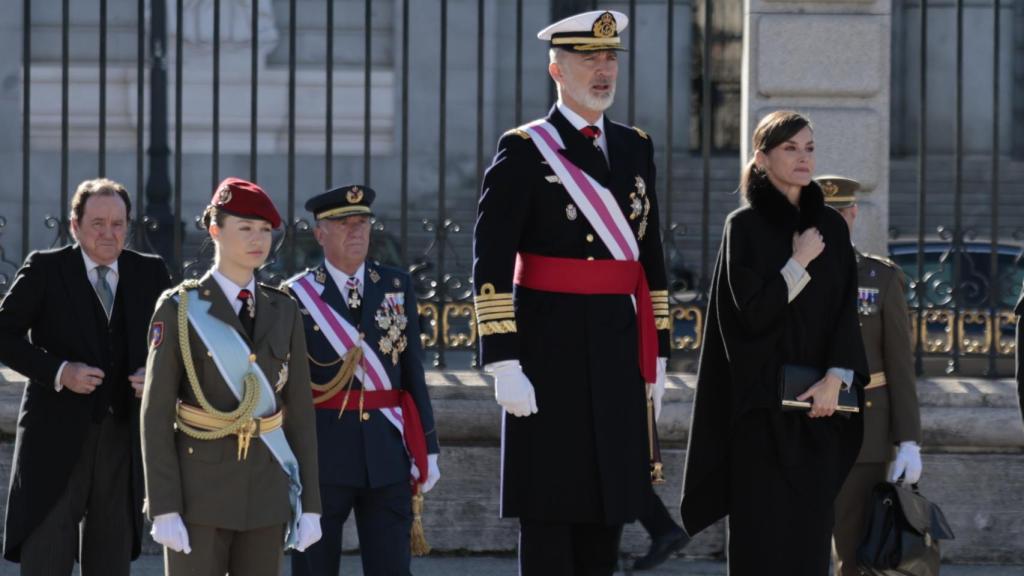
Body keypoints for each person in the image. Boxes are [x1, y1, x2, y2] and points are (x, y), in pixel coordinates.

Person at [473, 10, 672, 575]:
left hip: (615, 348)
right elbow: (489, 258)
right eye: (590, 59)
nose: (604, 70)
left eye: (610, 58)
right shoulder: (525, 149)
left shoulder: (635, 147)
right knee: (550, 510)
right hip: (547, 350)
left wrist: (656, 356)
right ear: (556, 69)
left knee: (606, 511)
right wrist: (503, 360)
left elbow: (648, 257)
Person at [680, 111, 869, 575]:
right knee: (760, 546)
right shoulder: (742, 227)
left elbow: (845, 311)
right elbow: (750, 315)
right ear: (762, 158)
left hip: (818, 411)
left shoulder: (831, 224)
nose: (804, 158)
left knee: (807, 547)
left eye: (809, 147)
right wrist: (799, 261)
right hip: (760, 415)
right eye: (790, 148)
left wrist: (837, 378)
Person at [141, 177, 322, 576]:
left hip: (267, 492)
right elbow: (155, 416)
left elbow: (301, 413)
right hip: (198, 496)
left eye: (265, 230)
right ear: (215, 230)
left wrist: (310, 504)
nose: (259, 240)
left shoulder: (284, 309)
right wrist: (164, 506)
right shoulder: (180, 309)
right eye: (245, 228)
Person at [0, 178, 171, 574]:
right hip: (53, 440)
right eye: (97, 223)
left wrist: (156, 374)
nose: (108, 233)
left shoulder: (151, 273)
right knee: (46, 557)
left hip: (121, 439)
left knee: (110, 561)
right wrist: (59, 371)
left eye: (117, 223)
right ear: (74, 225)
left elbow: (178, 341)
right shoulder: (45, 268)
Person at [285, 184, 441, 576]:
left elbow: (411, 370)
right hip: (323, 456)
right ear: (320, 233)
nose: (356, 231)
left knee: (391, 567)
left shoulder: (395, 284)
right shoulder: (296, 295)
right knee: (315, 567)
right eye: (343, 223)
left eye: (363, 222)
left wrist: (430, 446)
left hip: (386, 454)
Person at [819, 175, 923, 576]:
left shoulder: (880, 278)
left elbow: (899, 364)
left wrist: (909, 439)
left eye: (838, 215)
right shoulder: (793, 273)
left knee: (854, 550)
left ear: (853, 215)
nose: (830, 224)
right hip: (803, 428)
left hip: (864, 430)